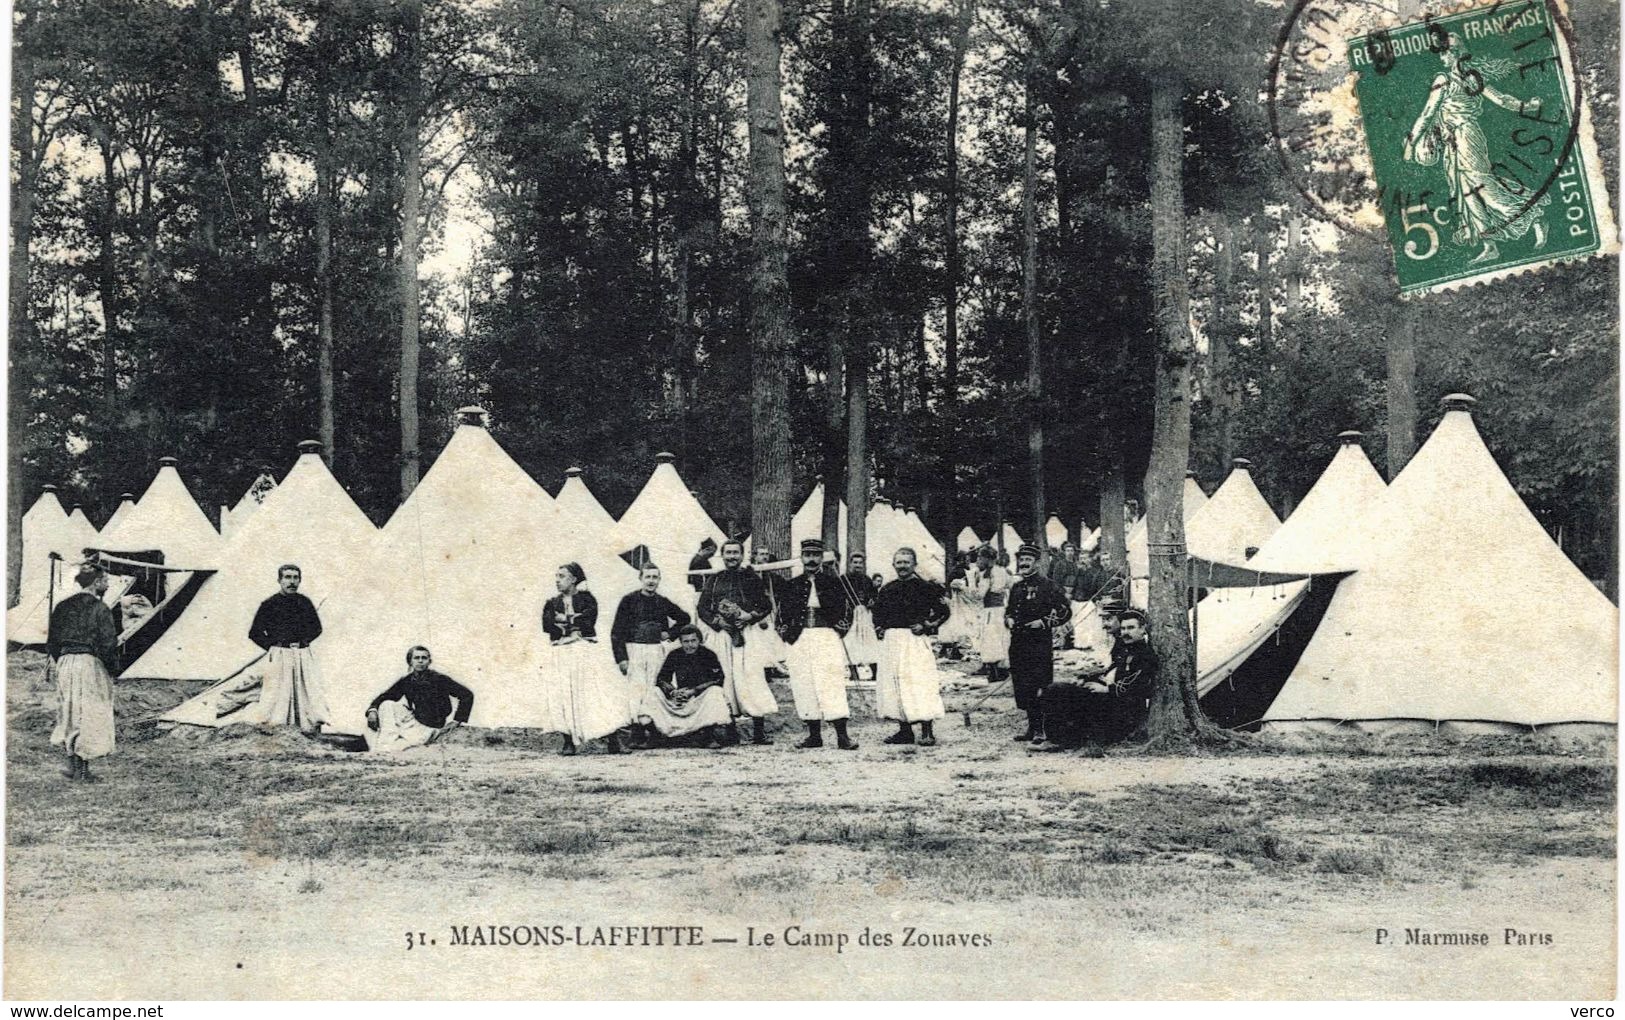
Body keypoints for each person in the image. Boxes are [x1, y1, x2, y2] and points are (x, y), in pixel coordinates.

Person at [226, 565, 330, 732]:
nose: (292, 582)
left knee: (305, 689)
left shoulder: (305, 602)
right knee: (278, 691)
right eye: (288, 577)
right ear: (279, 580)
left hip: (302, 655)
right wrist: (274, 646)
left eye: (296, 578)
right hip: (280, 655)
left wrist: (304, 641)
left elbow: (316, 628)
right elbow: (255, 632)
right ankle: (278, 725)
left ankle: (305, 726)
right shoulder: (269, 604)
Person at [777, 538, 857, 750]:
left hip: (826, 636)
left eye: (815, 555)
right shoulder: (792, 585)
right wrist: (785, 634)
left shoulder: (835, 582)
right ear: (801, 558)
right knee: (804, 684)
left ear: (822, 558)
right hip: (799, 637)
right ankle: (814, 735)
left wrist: (839, 629)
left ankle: (842, 736)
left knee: (830, 682)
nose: (811, 559)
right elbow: (781, 613)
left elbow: (848, 610)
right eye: (807, 555)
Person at [542, 562, 629, 755]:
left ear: (573, 579)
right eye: (556, 576)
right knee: (564, 695)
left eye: (562, 576)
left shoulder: (588, 599)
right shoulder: (551, 602)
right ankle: (568, 741)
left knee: (596, 693)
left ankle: (613, 739)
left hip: (585, 651)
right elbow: (548, 625)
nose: (557, 580)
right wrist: (570, 621)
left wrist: (564, 619)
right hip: (561, 652)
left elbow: (589, 620)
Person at [698, 539, 777, 743]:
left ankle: (759, 732)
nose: (732, 557)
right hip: (722, 636)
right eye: (728, 553)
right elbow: (702, 607)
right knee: (726, 677)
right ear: (722, 556)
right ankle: (730, 730)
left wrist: (749, 616)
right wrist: (717, 621)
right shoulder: (714, 580)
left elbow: (766, 605)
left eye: (735, 553)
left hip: (747, 634)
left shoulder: (751, 578)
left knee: (751, 677)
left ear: (742, 556)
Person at [872, 548, 951, 747]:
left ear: (914, 565)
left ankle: (927, 730)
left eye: (906, 562)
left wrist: (927, 625)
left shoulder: (926, 587)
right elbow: (877, 614)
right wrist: (880, 628)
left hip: (914, 640)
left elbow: (944, 611)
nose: (902, 566)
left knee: (920, 682)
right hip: (892, 642)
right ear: (893, 565)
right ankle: (904, 731)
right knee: (896, 684)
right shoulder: (887, 589)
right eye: (898, 562)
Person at [48, 563, 119, 782]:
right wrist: (112, 669)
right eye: (105, 580)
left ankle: (72, 765)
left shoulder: (62, 606)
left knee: (69, 712)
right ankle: (82, 771)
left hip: (66, 663)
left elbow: (52, 642)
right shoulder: (100, 608)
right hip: (89, 663)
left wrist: (63, 662)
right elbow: (108, 644)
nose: (107, 584)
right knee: (87, 714)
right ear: (97, 583)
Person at [610, 564, 691, 747]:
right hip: (635, 650)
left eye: (655, 577)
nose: (651, 581)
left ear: (659, 580)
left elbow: (684, 618)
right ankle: (637, 732)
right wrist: (621, 658)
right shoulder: (628, 600)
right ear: (641, 579)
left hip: (655, 651)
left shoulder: (662, 602)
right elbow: (616, 632)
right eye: (648, 577)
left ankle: (655, 732)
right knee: (636, 691)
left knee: (654, 689)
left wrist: (669, 633)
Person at [1004, 543, 1071, 744]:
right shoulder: (1016, 587)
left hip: (1038, 645)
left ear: (1037, 563)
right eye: (1021, 560)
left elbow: (1065, 612)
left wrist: (1043, 623)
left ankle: (1042, 729)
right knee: (1022, 687)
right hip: (1017, 643)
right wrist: (1008, 619)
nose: (1023, 563)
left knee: (1040, 686)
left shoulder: (1048, 586)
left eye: (1028, 560)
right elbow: (1009, 610)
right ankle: (1031, 727)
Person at [1037, 598, 1126, 750]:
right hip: (1108, 690)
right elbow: (1113, 668)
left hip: (1117, 701)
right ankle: (1059, 737)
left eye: (1109, 619)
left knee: (1057, 691)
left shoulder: (1130, 643)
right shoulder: (1120, 641)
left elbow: (1129, 679)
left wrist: (1105, 687)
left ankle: (1061, 740)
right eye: (1103, 619)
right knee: (1055, 690)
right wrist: (1087, 677)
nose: (1105, 625)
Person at [638, 625, 734, 748]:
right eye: (686, 641)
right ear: (681, 642)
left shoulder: (708, 654)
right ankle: (655, 736)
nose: (690, 645)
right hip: (680, 700)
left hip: (699, 700)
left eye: (693, 641)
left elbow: (718, 680)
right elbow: (661, 679)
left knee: (715, 692)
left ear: (699, 640)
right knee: (654, 692)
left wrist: (694, 691)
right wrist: (673, 692)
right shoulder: (674, 654)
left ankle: (708, 736)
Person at [364, 646, 475, 753]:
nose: (420, 661)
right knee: (387, 704)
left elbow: (467, 695)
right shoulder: (407, 680)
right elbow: (385, 697)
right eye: (416, 658)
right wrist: (372, 710)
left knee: (393, 747)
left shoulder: (440, 679)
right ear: (410, 661)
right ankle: (385, 743)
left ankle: (385, 746)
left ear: (429, 661)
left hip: (431, 729)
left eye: (424, 658)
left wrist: (457, 721)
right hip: (413, 725)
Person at [1077, 609, 1158, 746]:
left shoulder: (1145, 654)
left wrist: (1107, 689)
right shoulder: (1124, 648)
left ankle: (1069, 740)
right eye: (1123, 628)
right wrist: (1088, 679)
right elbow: (1112, 670)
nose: (1126, 632)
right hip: (1111, 697)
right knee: (1061, 690)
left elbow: (1138, 685)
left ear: (1142, 629)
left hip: (1125, 708)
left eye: (1131, 628)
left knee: (1065, 695)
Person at [970, 546, 1012, 680]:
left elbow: (980, 595)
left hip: (990, 611)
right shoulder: (1004, 571)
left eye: (980, 557)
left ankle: (994, 671)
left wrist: (969, 587)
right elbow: (1010, 585)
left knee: (990, 639)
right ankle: (1003, 669)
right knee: (1001, 639)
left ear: (986, 559)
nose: (978, 560)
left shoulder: (988, 573)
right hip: (1001, 609)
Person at [840, 551, 882, 682]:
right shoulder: (844, 579)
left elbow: (873, 596)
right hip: (849, 614)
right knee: (851, 641)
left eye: (860, 563)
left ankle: (875, 673)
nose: (857, 565)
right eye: (855, 562)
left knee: (869, 640)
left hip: (864, 614)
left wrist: (871, 601)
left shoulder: (867, 580)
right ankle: (853, 673)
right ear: (850, 563)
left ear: (863, 564)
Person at [750, 546, 791, 677]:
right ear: (755, 556)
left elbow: (785, 588)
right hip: (755, 614)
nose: (765, 557)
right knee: (759, 641)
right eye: (761, 554)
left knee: (772, 640)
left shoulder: (770, 575)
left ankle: (773, 667)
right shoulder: (750, 574)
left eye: (766, 554)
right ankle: (765, 669)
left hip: (770, 612)